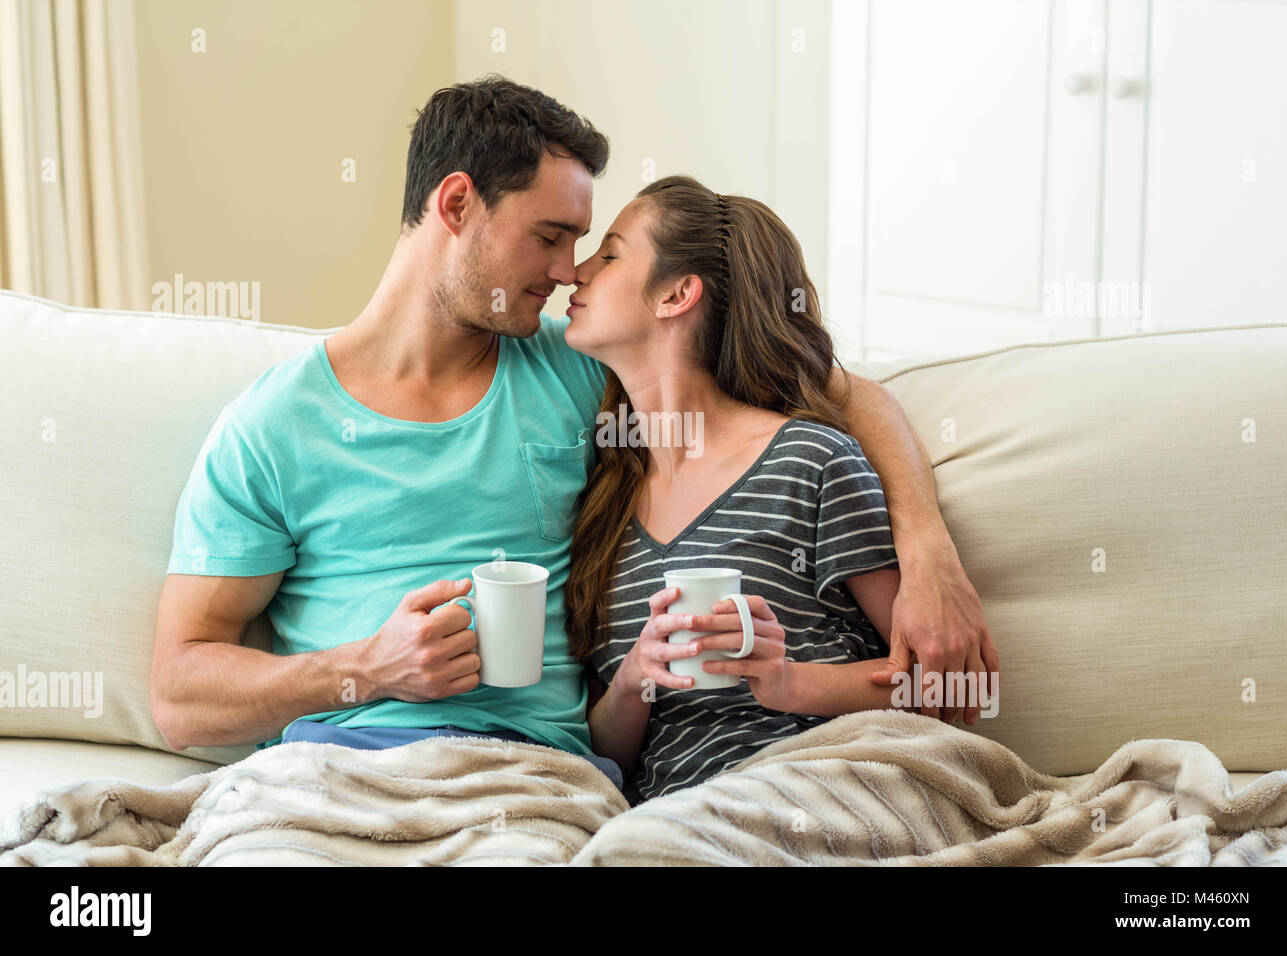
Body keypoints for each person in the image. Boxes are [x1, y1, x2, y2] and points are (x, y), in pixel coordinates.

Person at [150, 75, 994, 792]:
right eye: (550, 237)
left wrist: (927, 552)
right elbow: (178, 695)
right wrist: (365, 669)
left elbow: (842, 396)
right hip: (337, 770)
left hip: (537, 779)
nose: (566, 273)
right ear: (456, 204)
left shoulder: (585, 369)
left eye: (587, 247)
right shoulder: (271, 427)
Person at [563, 175, 968, 801]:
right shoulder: (604, 498)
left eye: (610, 254)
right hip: (675, 818)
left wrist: (786, 682)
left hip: (827, 783)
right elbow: (608, 753)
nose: (576, 271)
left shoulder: (809, 460)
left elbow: (936, 687)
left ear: (677, 293)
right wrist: (635, 679)